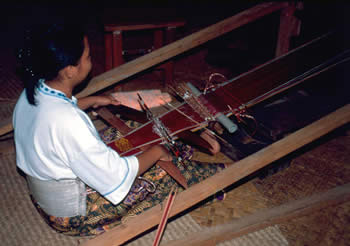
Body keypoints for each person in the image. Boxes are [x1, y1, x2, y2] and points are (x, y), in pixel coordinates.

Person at [13, 23, 172, 236]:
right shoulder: (69, 121)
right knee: (164, 167)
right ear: (70, 70)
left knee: (131, 133)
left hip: (42, 196)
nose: (91, 62)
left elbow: (52, 116)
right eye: (87, 57)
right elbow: (116, 175)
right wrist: (157, 151)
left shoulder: (32, 91)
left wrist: (93, 100)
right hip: (73, 215)